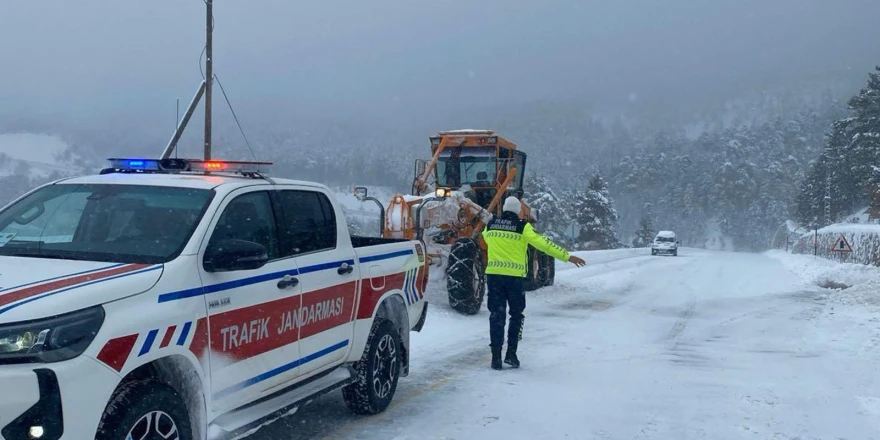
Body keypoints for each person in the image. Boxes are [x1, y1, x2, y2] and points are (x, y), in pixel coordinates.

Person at [482, 196, 586, 370]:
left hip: (494, 278)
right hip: (514, 279)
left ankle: (495, 358)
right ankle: (511, 354)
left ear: (504, 209)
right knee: (516, 315)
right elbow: (544, 244)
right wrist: (567, 256)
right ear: (518, 211)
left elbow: (485, 239)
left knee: (496, 315)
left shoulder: (490, 226)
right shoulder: (523, 227)